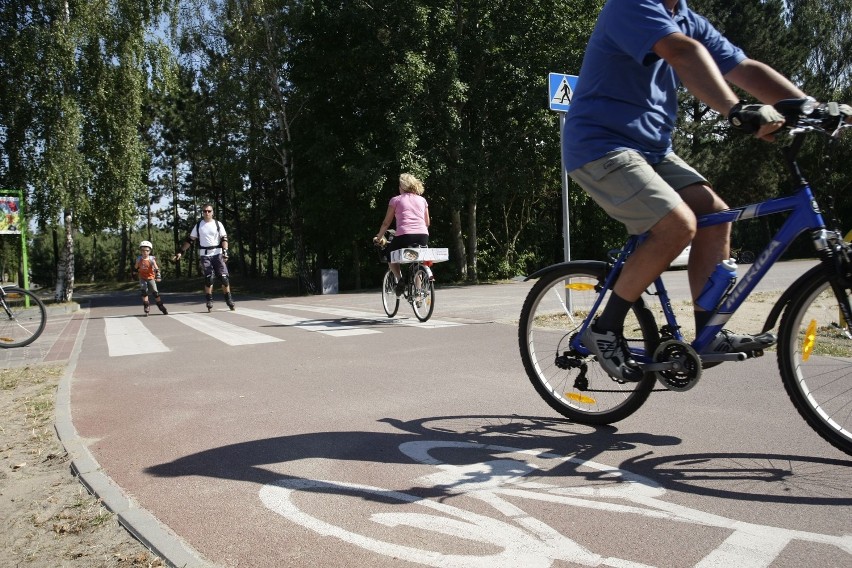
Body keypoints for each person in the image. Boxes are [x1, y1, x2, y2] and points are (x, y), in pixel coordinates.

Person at [563, 0, 808, 382]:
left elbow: (744, 68)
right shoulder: (631, 5)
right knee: (677, 226)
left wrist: (809, 107)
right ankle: (604, 328)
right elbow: (681, 52)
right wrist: (735, 109)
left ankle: (710, 333)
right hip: (600, 146)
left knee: (716, 217)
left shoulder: (687, 19)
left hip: (653, 151)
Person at [373, 173, 430, 295]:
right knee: (417, 262)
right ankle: (419, 293)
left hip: (405, 236)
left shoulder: (396, 200)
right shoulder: (422, 200)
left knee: (390, 254)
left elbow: (386, 223)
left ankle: (399, 280)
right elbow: (427, 222)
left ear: (403, 187)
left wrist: (379, 237)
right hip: (423, 236)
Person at [173, 204, 235, 312]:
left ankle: (229, 299)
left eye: (209, 211)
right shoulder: (199, 225)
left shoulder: (218, 224)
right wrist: (181, 252)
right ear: (202, 212)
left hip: (218, 254)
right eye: (205, 211)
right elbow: (190, 240)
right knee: (209, 279)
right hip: (205, 255)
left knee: (224, 278)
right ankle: (209, 300)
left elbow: (224, 238)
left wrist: (225, 251)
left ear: (212, 212)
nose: (207, 213)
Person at [133, 240, 168, 316]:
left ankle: (160, 305)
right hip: (142, 277)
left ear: (150, 251)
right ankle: (146, 305)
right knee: (144, 291)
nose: (145, 252)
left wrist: (158, 275)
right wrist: (134, 272)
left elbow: (156, 268)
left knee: (155, 292)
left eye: (147, 251)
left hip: (151, 277)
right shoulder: (139, 259)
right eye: (143, 250)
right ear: (140, 251)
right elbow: (136, 267)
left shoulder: (151, 259)